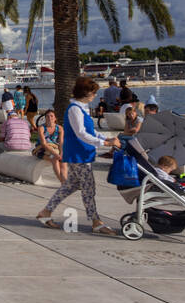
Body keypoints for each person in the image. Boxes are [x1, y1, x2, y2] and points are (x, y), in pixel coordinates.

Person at [35, 77, 121, 235]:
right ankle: (96, 222)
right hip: (77, 153)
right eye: (93, 92)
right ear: (86, 92)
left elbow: (91, 131)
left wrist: (105, 139)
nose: (95, 95)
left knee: (70, 185)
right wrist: (105, 144)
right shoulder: (74, 108)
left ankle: (46, 212)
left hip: (83, 152)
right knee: (88, 188)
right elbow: (80, 133)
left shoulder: (83, 108)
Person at [34, 108, 67, 184]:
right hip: (41, 150)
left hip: (55, 149)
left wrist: (61, 153)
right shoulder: (41, 128)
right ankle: (63, 182)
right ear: (45, 118)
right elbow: (43, 144)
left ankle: (65, 180)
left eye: (51, 116)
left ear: (55, 118)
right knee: (55, 158)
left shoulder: (59, 128)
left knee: (63, 160)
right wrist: (56, 154)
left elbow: (61, 142)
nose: (49, 118)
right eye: (47, 116)